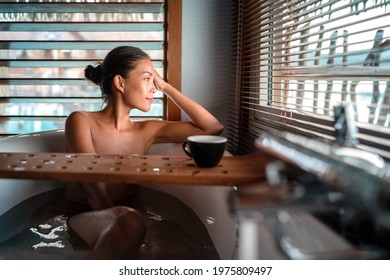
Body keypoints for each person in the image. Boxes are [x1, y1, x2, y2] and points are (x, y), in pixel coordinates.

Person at [63, 46, 224, 258]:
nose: (154, 88)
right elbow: (94, 190)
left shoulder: (147, 131)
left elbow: (212, 127)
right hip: (85, 219)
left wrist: (166, 86)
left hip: (127, 224)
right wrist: (132, 230)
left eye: (154, 80)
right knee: (130, 222)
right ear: (120, 83)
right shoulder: (81, 121)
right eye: (148, 79)